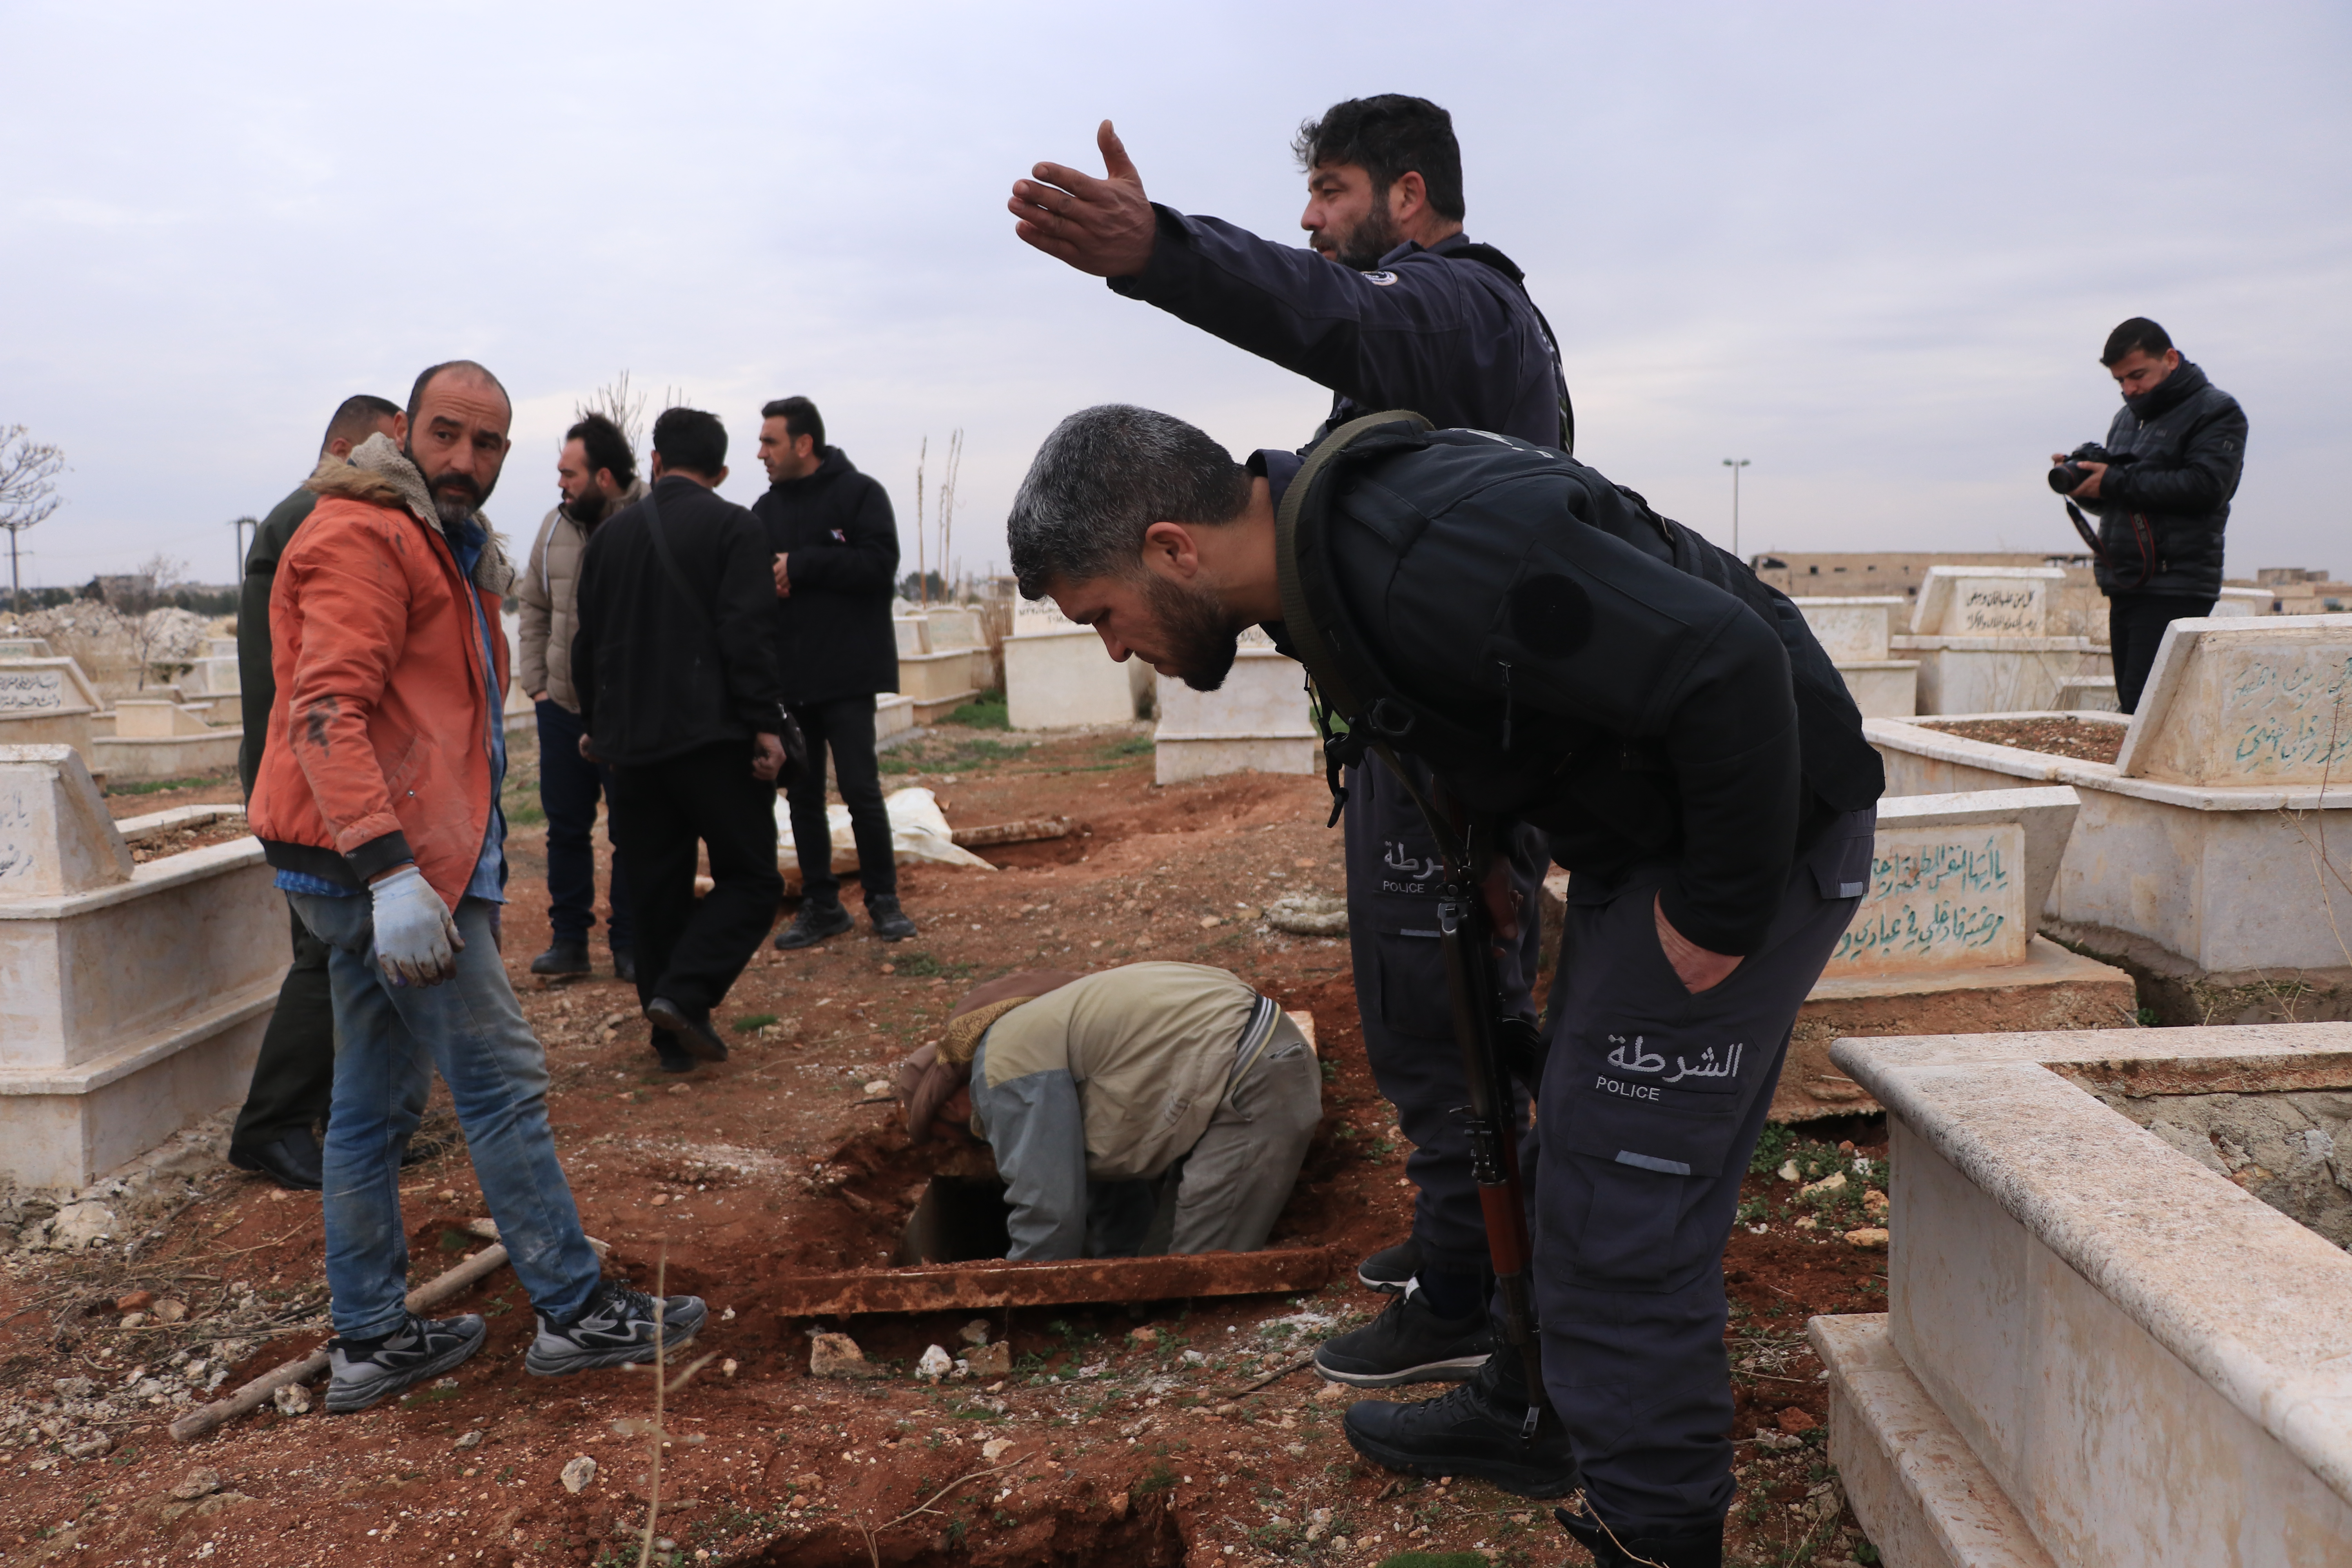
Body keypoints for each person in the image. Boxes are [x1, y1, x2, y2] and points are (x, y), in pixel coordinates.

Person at [1005, 405, 1884, 1566]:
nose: (1117, 649)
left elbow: (1726, 659)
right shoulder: (1319, 567)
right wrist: (1477, 848)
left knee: (1620, 1215)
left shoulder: (1419, 550)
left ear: (1172, 549)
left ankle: (1657, 1533)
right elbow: (1475, 697)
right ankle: (1541, 1408)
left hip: (1751, 836)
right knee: (1575, 1146)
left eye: (1102, 616)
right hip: (1649, 837)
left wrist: (1718, 914)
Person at [1009, 94, 1566, 1388]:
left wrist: (1164, 255)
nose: (1310, 222)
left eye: (1331, 192)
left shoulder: (1455, 304)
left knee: (1452, 1009)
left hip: (1460, 748)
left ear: (1408, 196)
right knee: (1417, 999)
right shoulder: (1413, 337)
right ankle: (1459, 1243)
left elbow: (1341, 314)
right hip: (1419, 737)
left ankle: (1483, 1285)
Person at [249, 361, 705, 1412]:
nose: (466, 461)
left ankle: (371, 1339)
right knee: (499, 1077)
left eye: (488, 444)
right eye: (447, 436)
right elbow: (327, 710)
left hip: (385, 863)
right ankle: (573, 1310)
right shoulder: (364, 534)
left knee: (370, 1107)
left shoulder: (436, 543)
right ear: (405, 431)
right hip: (382, 867)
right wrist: (392, 873)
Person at [572, 407, 789, 1073]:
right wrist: (765, 724)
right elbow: (745, 635)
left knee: (655, 890)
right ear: (721, 471)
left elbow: (587, 646)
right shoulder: (735, 527)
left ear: (658, 462)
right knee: (752, 879)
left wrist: (594, 726)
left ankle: (671, 1041)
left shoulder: (608, 539)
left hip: (631, 749)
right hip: (711, 740)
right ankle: (684, 994)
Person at [225, 392, 402, 1192]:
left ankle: (345, 1115)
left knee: (343, 947)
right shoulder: (310, 515)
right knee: (322, 949)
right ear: (341, 446)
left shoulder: (311, 513)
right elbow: (303, 678)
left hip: (302, 763)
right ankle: (272, 1125)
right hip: (305, 772)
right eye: (384, 452)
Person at [893, 963, 1321, 1260]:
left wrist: (1022, 1309)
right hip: (1254, 1053)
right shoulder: (1048, 1035)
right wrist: (1118, 1282)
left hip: (1249, 1073)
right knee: (1159, 1270)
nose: (976, 1139)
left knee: (1194, 1281)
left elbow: (1049, 1213)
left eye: (949, 1134)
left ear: (949, 1102)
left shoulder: (1003, 1068)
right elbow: (1111, 1187)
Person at [752, 396, 917, 947]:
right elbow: (748, 589)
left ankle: (883, 901)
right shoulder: (764, 512)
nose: (761, 453)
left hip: (848, 674)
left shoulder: (861, 495)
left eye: (770, 442)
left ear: (804, 444)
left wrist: (802, 564)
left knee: (860, 790)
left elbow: (879, 565)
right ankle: (822, 906)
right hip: (792, 680)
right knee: (802, 797)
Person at [2050, 317, 2247, 712]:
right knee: (2133, 709)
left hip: (2176, 583)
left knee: (2148, 712)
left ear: (2170, 358)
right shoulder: (2127, 419)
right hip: (2126, 581)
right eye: (2120, 381)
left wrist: (2115, 481)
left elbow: (2207, 488)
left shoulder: (2216, 410)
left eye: (2137, 375)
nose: (2129, 389)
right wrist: (2087, 487)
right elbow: (2119, 498)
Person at [517, 412, 647, 982]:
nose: (562, 484)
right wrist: (539, 687)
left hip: (631, 714)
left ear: (605, 476)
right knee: (566, 828)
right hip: (563, 710)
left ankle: (631, 942)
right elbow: (535, 609)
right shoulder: (553, 528)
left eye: (570, 474)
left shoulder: (652, 521)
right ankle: (569, 940)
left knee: (633, 829)